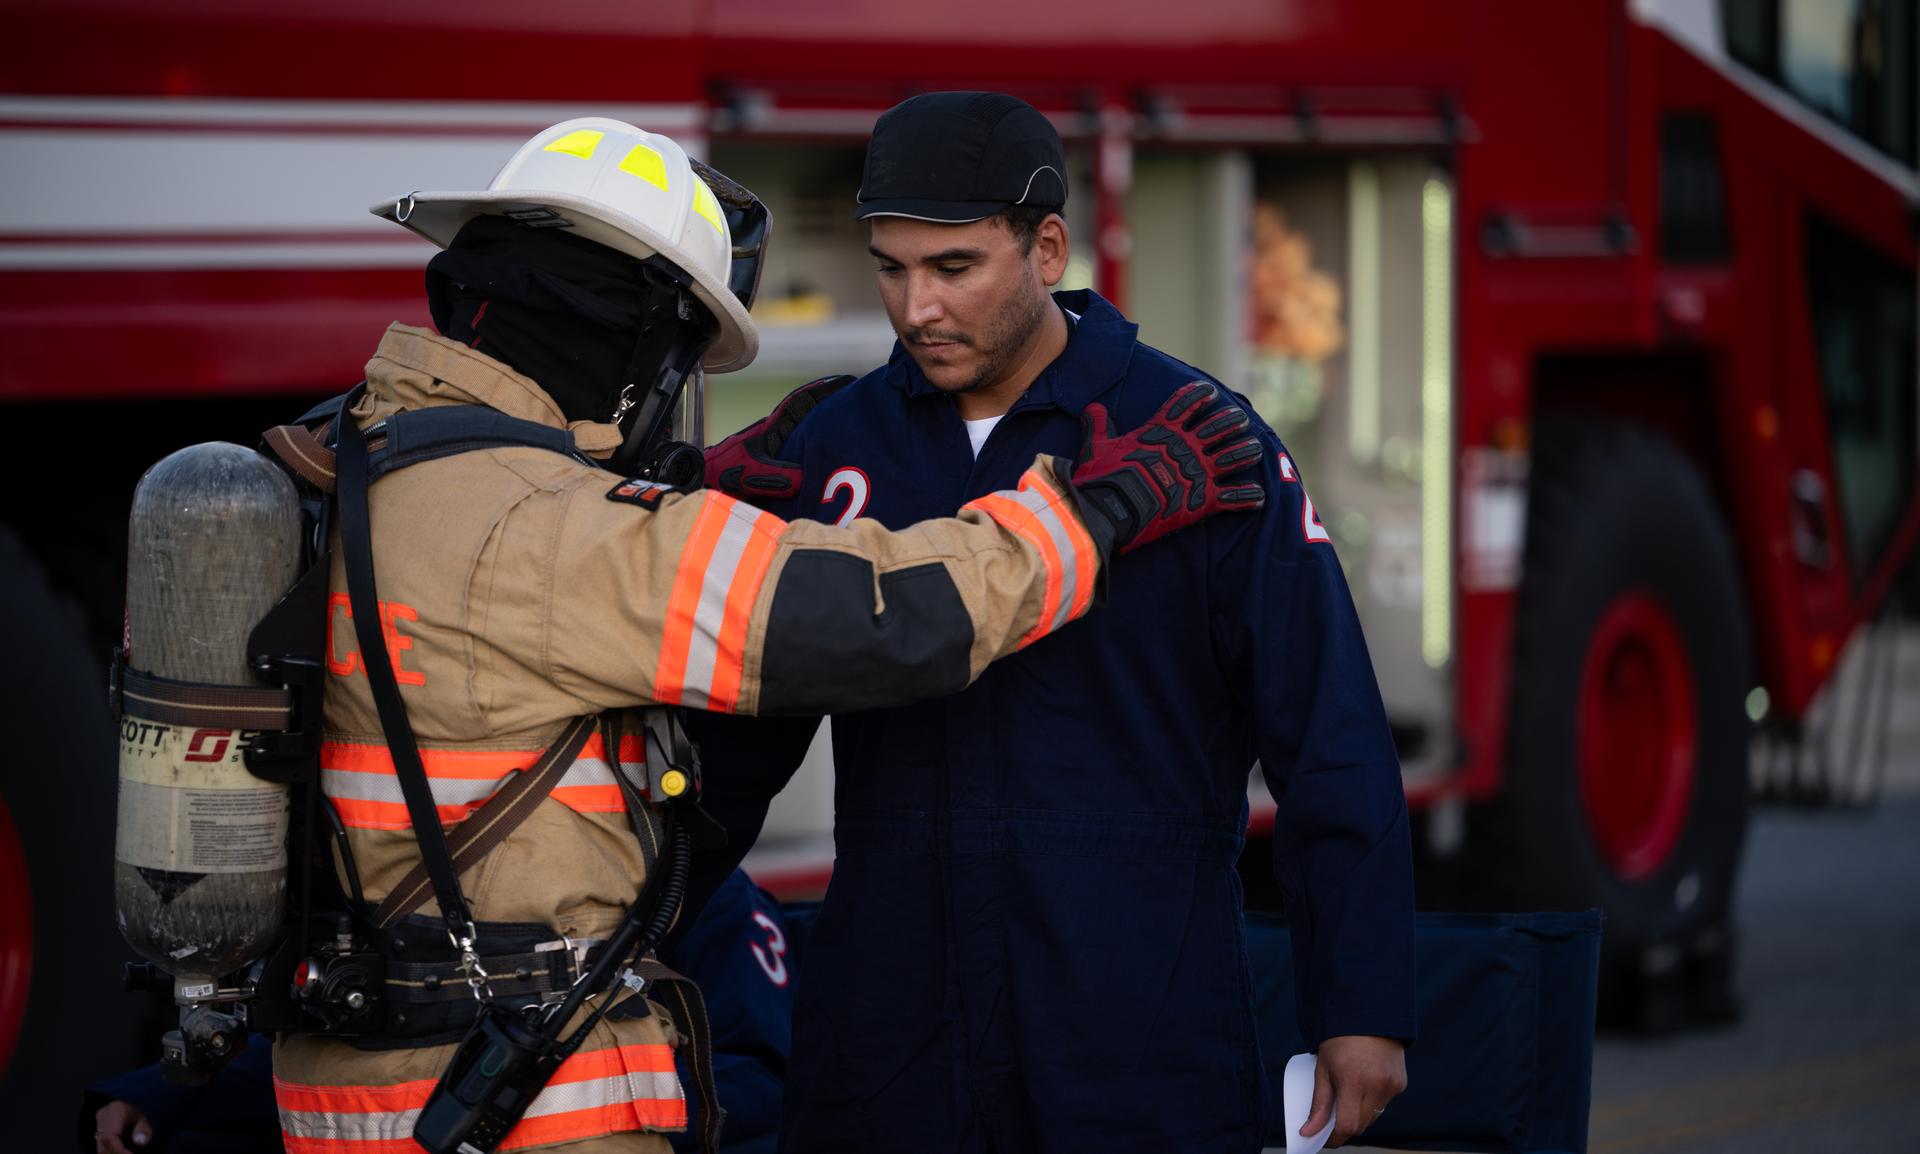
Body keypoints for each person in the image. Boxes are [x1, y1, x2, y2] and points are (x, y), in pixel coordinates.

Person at [248, 115, 1262, 1154]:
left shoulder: (342, 466)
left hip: (344, 1095)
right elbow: (887, 622)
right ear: (636, 342)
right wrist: (1100, 510)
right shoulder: (566, 541)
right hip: (530, 1108)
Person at [692, 92, 1413, 1153]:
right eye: (890, 267)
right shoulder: (838, 451)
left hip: (1134, 1034)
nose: (915, 308)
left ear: (1047, 247)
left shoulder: (1195, 443)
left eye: (952, 268)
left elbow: (1329, 735)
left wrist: (1361, 1003)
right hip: (887, 1043)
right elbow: (734, 750)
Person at [83, 871, 796, 1154]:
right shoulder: (478, 899)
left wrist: (562, 1105)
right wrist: (159, 1101)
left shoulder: (711, 905)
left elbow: (763, 1082)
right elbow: (361, 1051)